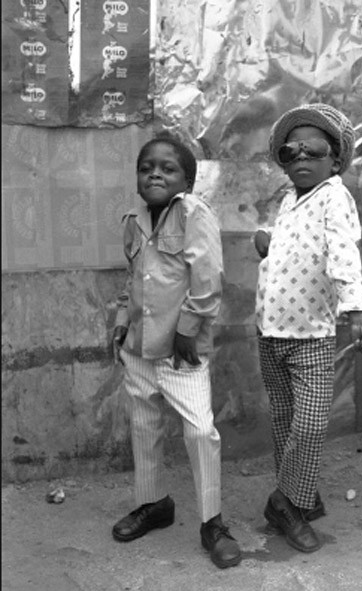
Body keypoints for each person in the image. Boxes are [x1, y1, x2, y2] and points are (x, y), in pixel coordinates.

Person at [254, 103, 362, 553]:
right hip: (270, 333)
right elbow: (289, 254)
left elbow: (342, 253)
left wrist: (357, 313)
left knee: (309, 425)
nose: (302, 158)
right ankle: (299, 500)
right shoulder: (289, 201)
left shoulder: (335, 196)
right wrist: (265, 244)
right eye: (292, 152)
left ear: (336, 159)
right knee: (286, 421)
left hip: (310, 335)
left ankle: (283, 503)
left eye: (315, 149)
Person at [111, 132, 242, 569]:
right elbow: (132, 279)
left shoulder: (193, 214)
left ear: (186, 179)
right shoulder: (133, 218)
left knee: (200, 432)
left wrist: (186, 329)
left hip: (180, 352)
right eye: (147, 167)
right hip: (139, 350)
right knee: (144, 426)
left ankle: (212, 522)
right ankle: (154, 504)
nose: (155, 174)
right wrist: (121, 323)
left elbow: (208, 279)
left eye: (167, 169)